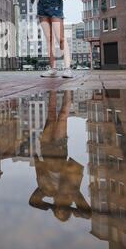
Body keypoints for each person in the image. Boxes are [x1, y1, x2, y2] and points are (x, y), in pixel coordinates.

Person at [29, 90, 91, 222]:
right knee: (63, 115)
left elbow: (33, 202)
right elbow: (87, 214)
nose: (59, 210)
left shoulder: (46, 191)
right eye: (63, 211)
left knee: (51, 114)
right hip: (59, 148)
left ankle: (53, 88)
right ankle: (68, 90)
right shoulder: (72, 193)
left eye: (57, 212)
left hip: (45, 147)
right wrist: (71, 209)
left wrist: (51, 207)